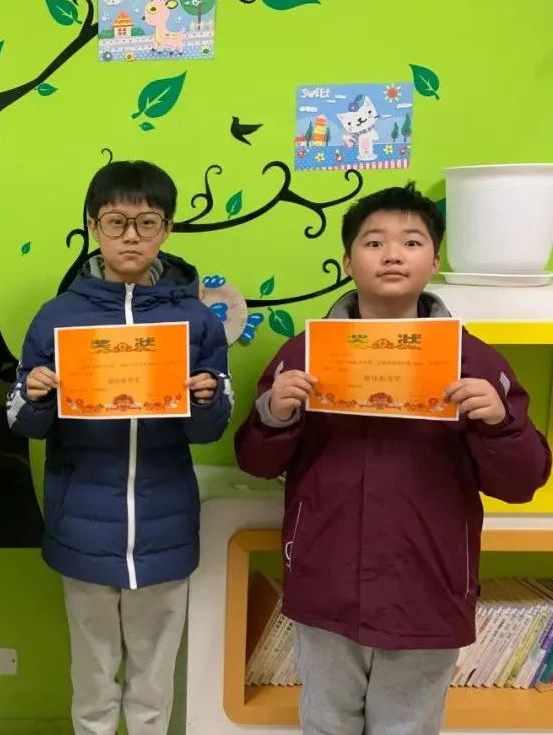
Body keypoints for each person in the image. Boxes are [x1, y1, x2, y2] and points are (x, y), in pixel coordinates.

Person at [234, 182, 552, 735]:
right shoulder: (303, 355)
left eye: (412, 241)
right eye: (374, 242)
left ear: (434, 261)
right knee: (326, 722)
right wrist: (274, 413)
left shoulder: (475, 361)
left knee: (407, 726)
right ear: (347, 261)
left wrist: (500, 422)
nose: (393, 254)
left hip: (428, 588)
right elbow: (256, 462)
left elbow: (522, 481)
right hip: (325, 583)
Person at [7, 160, 232, 735]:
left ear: (167, 229)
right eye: (115, 222)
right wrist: (35, 395)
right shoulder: (59, 317)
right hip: (82, 526)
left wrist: (206, 399)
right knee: (92, 679)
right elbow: (23, 422)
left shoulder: (195, 321)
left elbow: (209, 430)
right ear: (93, 226)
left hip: (165, 526)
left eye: (147, 222)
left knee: (153, 685)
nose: (131, 236)